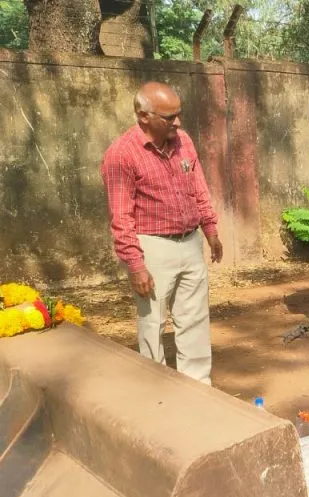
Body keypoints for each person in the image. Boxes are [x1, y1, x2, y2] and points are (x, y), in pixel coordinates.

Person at [100, 81, 222, 384]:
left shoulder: (183, 141)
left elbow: (198, 187)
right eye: (169, 117)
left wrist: (210, 228)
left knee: (194, 318)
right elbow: (121, 216)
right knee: (153, 322)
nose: (177, 123)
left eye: (178, 115)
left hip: (190, 241)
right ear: (144, 116)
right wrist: (136, 264)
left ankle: (197, 387)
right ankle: (156, 390)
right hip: (153, 247)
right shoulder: (121, 155)